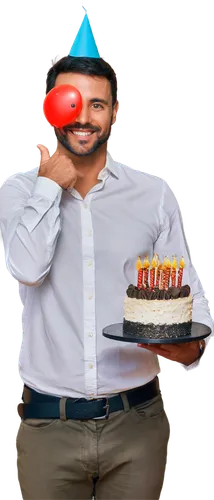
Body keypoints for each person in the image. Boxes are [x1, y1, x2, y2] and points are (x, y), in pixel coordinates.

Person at [1, 6, 213, 500]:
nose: (83, 116)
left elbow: (186, 292)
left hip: (137, 423)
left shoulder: (153, 194)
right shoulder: (19, 192)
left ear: (115, 113)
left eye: (98, 104)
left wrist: (193, 349)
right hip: (48, 425)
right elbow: (27, 269)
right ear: (48, 108)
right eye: (70, 101)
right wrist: (50, 188)